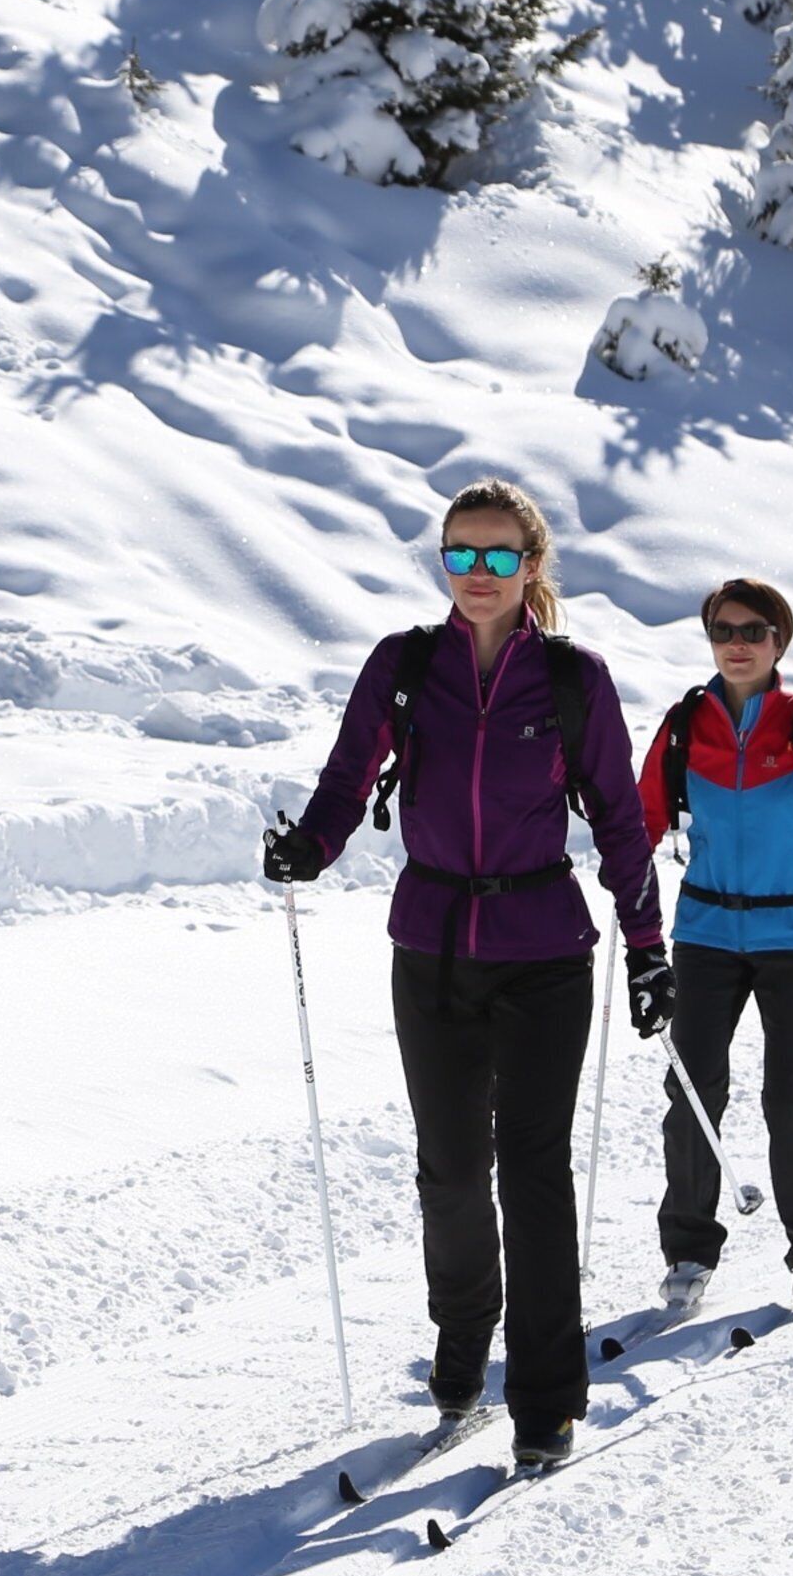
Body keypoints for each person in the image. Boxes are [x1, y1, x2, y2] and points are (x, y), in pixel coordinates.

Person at [264, 478, 667, 1469]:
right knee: (448, 1170)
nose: (478, 575)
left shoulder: (574, 681)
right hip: (433, 945)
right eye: (462, 555)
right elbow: (349, 779)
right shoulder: (404, 668)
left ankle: (544, 1404)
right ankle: (460, 1362)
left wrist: (649, 946)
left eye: (498, 557)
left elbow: (618, 818)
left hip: (543, 953)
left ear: (530, 567)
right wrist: (310, 848)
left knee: (532, 1173)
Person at [632, 577, 793, 1324]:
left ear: (779, 643)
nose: (736, 644)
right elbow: (642, 814)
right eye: (723, 631)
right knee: (692, 1094)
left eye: (753, 631)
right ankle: (688, 1251)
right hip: (707, 934)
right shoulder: (685, 724)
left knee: (789, 1101)